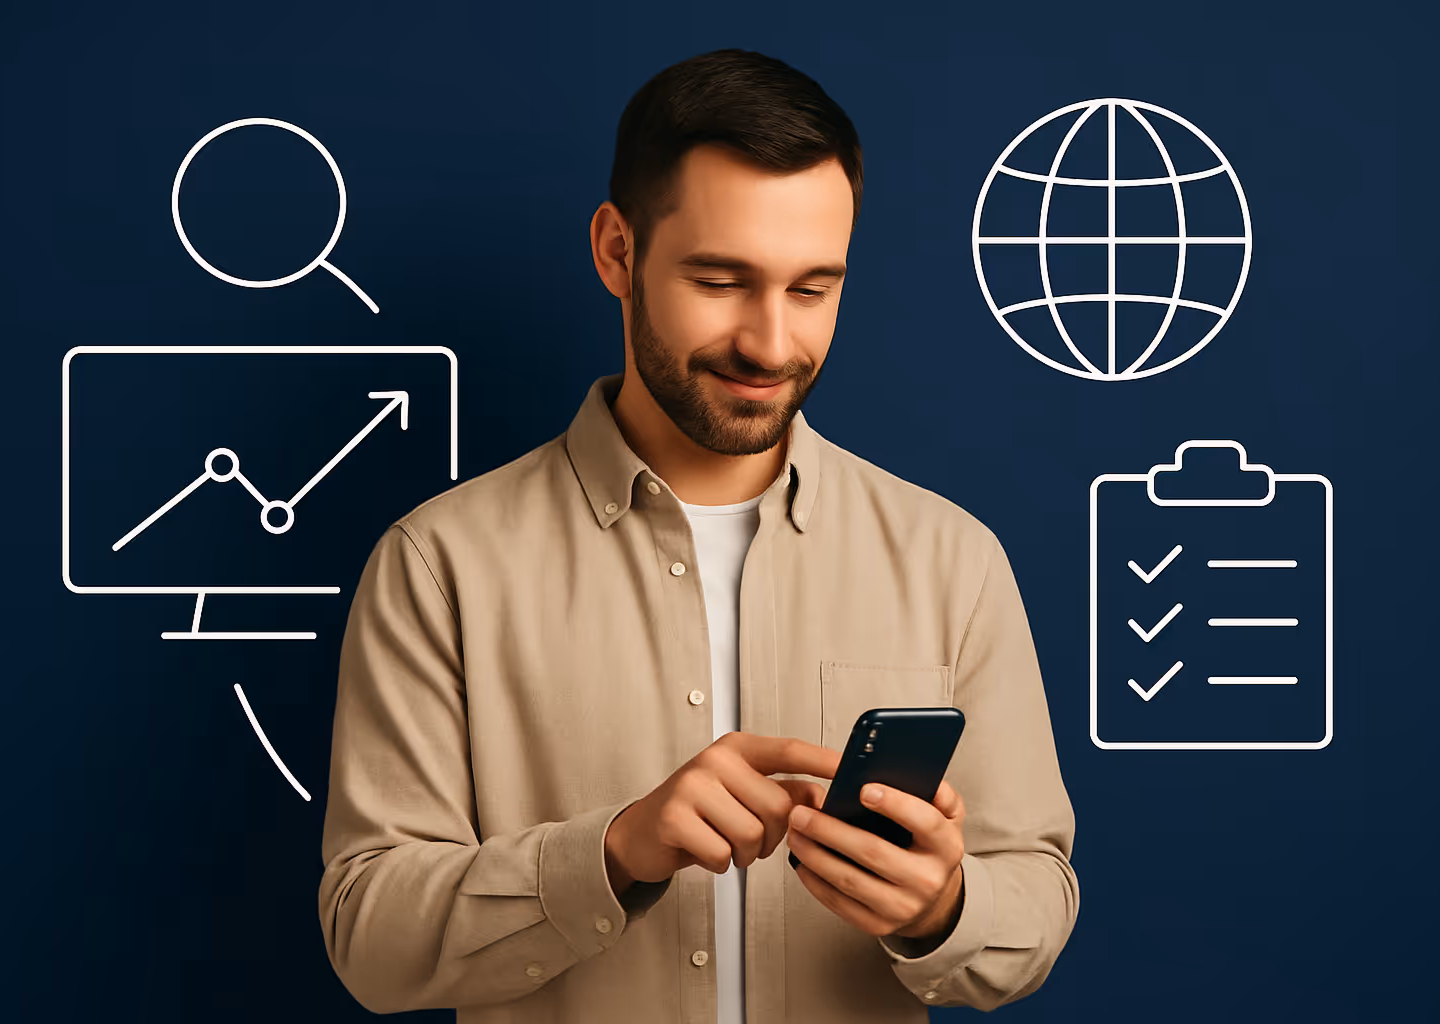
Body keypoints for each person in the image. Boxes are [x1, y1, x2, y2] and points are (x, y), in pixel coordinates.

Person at [318, 47, 1078, 1023]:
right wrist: (615, 852)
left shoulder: (952, 561)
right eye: (722, 280)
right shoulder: (440, 565)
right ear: (616, 252)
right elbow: (368, 938)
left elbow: (1038, 902)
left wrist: (944, 906)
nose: (771, 342)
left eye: (812, 288)